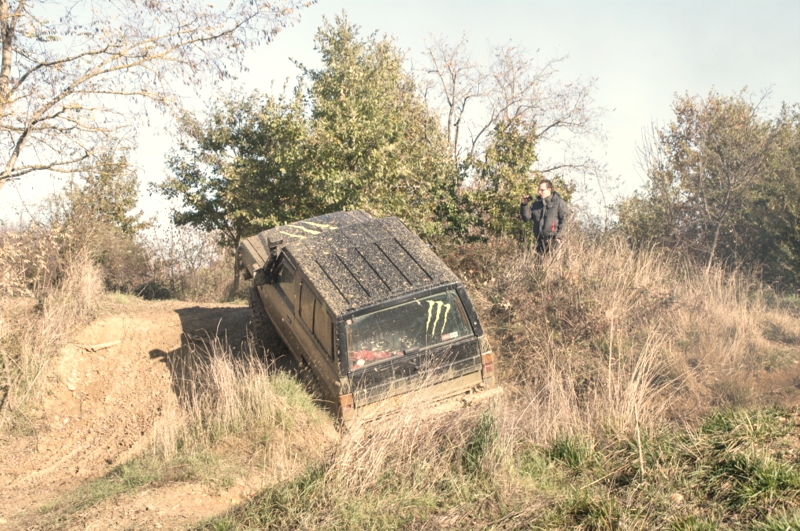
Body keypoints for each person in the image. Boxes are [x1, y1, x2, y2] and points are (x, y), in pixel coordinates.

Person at [520, 179, 568, 254]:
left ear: (549, 190)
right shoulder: (536, 204)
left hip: (554, 242)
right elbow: (526, 217)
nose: (539, 192)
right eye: (539, 190)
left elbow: (565, 221)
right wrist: (524, 205)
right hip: (539, 242)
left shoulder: (559, 203)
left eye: (542, 190)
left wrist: (559, 237)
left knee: (553, 265)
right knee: (538, 265)